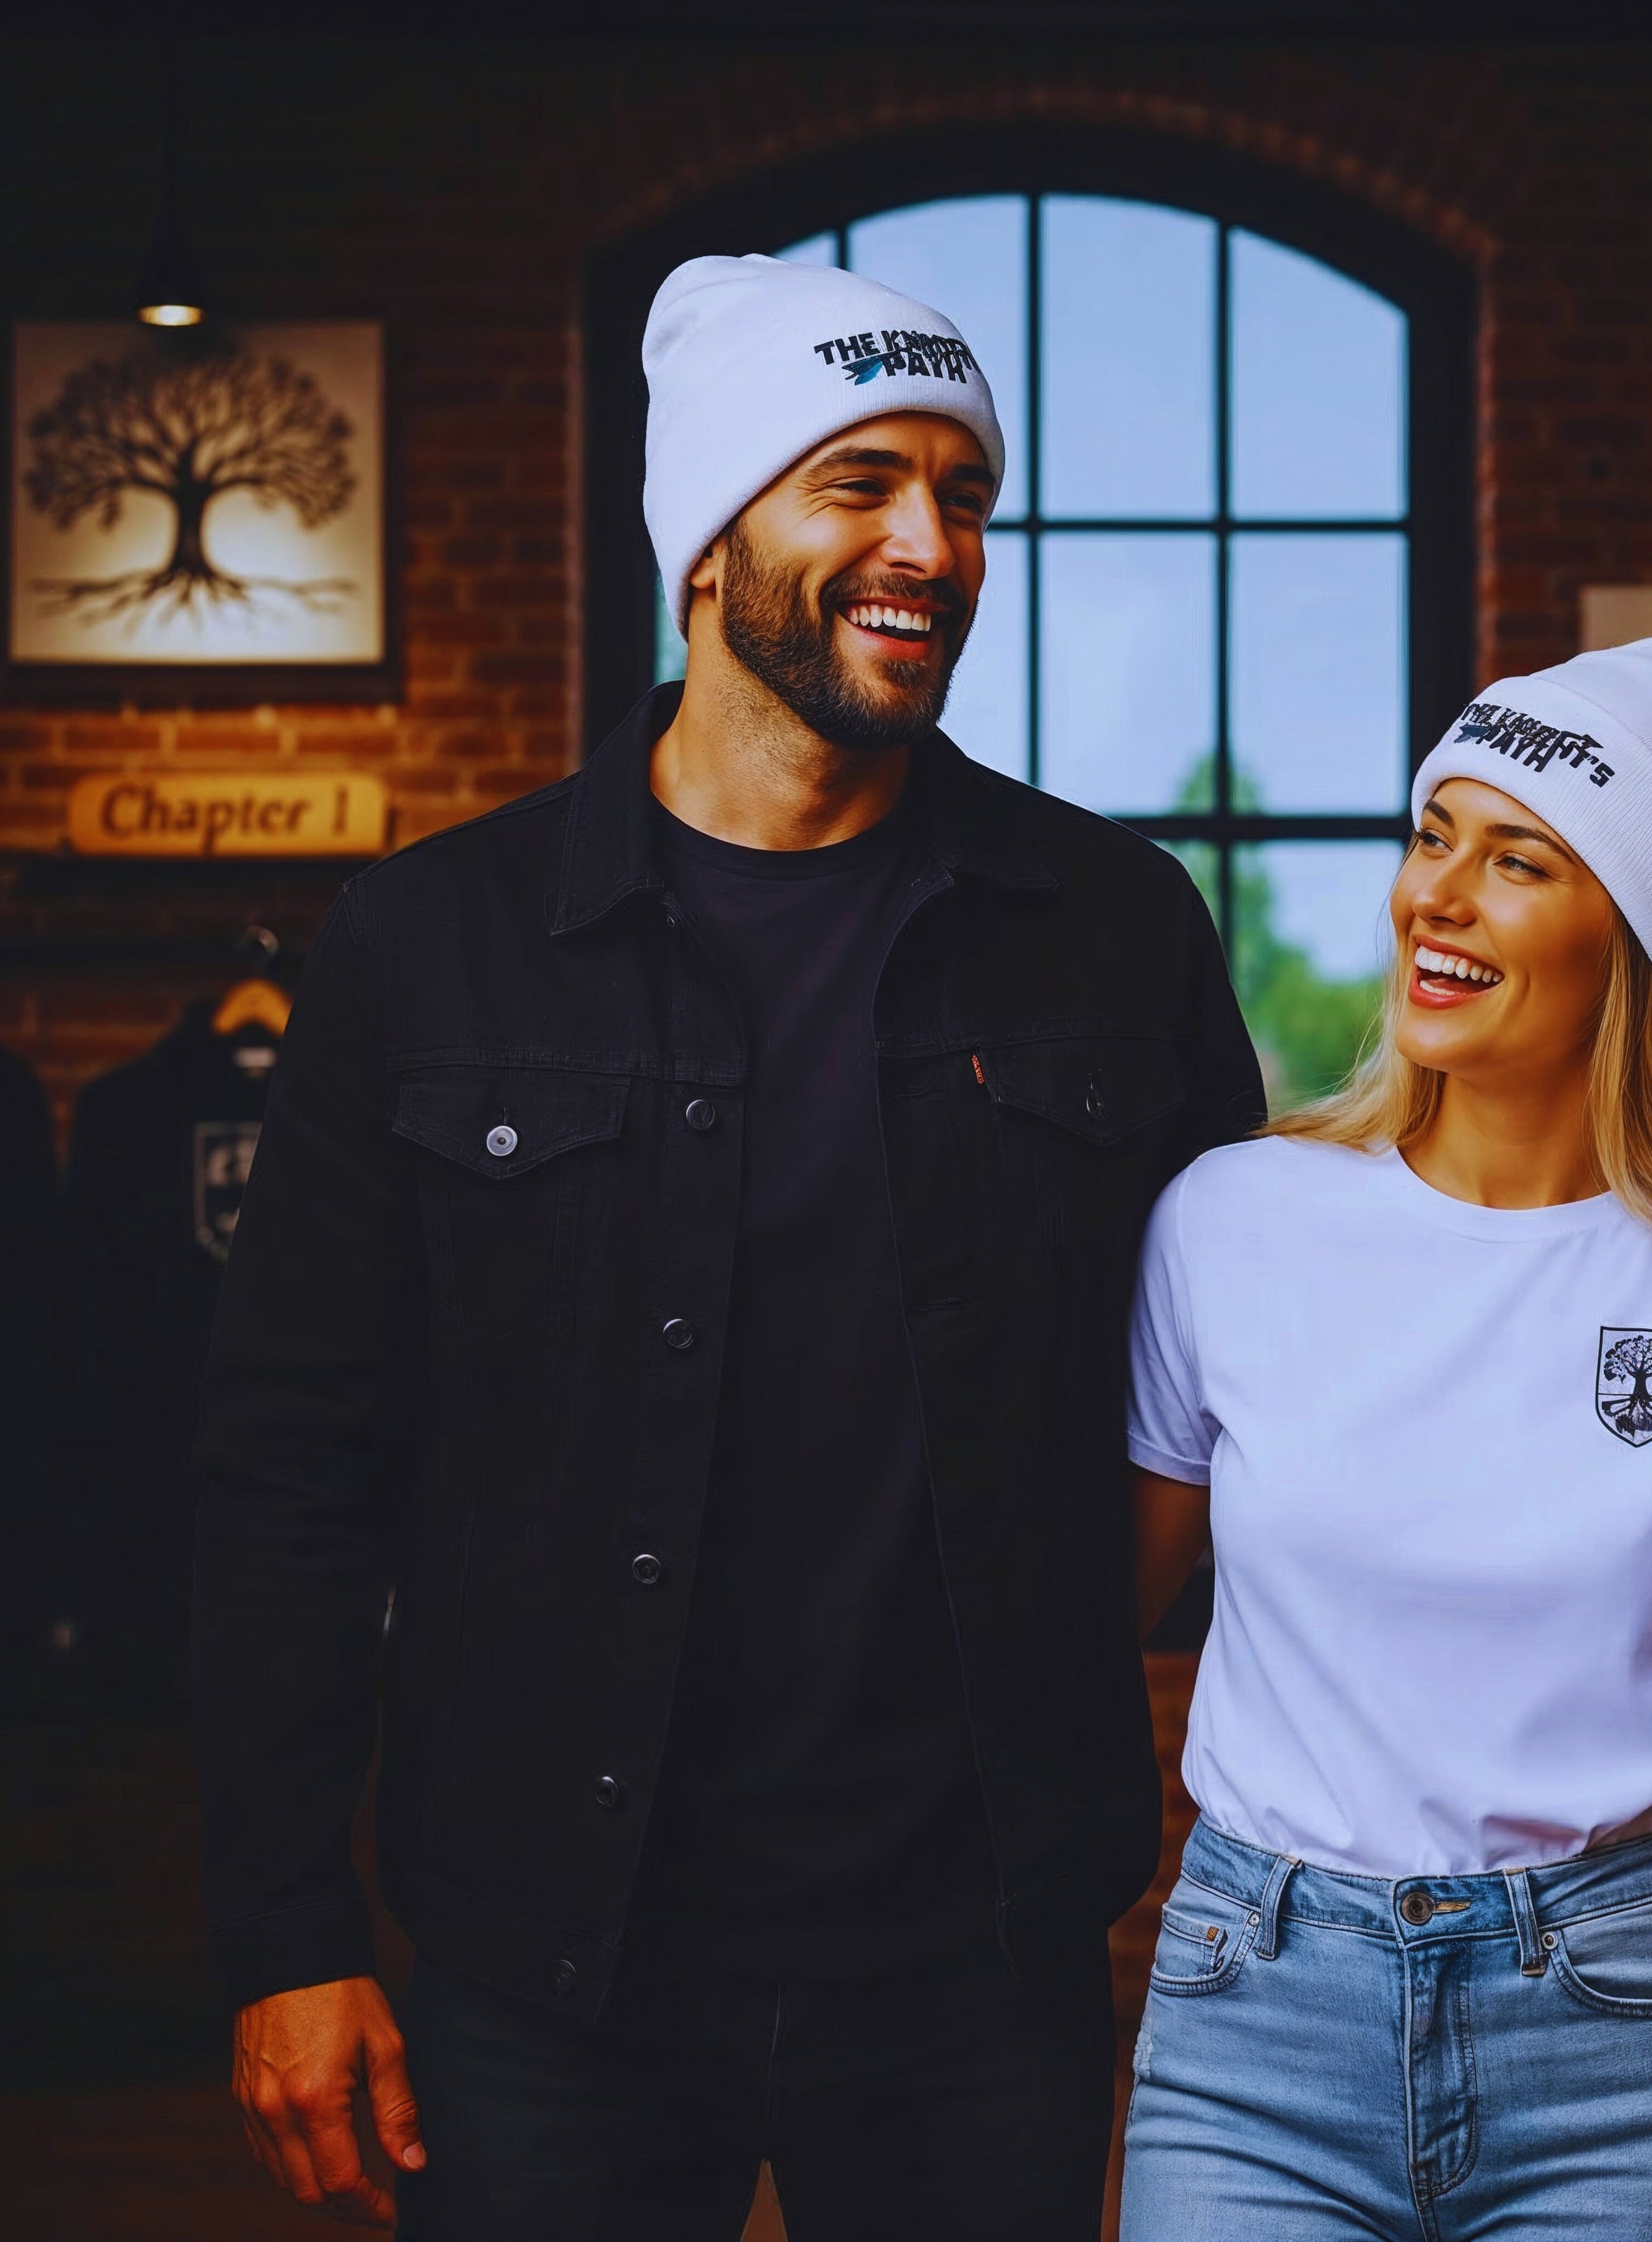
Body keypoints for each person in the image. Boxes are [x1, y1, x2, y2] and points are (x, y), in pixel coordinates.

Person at [193, 253, 1263, 2241]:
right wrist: (283, 1928)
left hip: (981, 1956)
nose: (930, 544)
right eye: (860, 482)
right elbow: (286, 1476)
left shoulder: (1110, 930)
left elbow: (1246, 1408)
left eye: (965, 496)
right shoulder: (432, 948)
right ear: (710, 542)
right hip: (547, 1955)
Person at [1122, 638, 1652, 2241]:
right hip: (1257, 2013)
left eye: (1517, 861)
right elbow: (1084, 1609)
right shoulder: (1234, 1218)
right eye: (1432, 833)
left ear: (1650, 933)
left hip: (1624, 2029)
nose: (1435, 896)